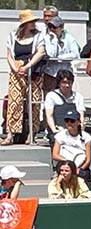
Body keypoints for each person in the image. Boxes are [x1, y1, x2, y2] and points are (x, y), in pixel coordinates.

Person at [4, 9, 47, 145]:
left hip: (33, 70)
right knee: (14, 101)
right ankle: (10, 134)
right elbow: (9, 55)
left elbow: (41, 52)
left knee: (34, 102)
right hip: (17, 69)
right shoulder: (13, 36)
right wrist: (16, 69)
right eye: (30, 22)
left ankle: (32, 133)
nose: (33, 23)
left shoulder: (38, 36)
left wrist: (28, 66)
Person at [40, 16, 81, 97]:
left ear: (61, 28)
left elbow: (75, 54)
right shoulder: (46, 38)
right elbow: (51, 54)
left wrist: (60, 58)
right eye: (50, 26)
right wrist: (54, 40)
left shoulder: (69, 38)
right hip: (51, 74)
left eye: (54, 27)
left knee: (65, 97)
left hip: (65, 74)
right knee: (49, 97)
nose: (52, 29)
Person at [51, 109, 91, 184]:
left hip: (80, 167)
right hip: (64, 166)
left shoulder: (86, 137)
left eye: (72, 121)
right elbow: (55, 155)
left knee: (84, 175)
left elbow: (88, 160)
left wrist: (79, 169)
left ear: (78, 122)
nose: (69, 123)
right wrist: (69, 164)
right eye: (67, 121)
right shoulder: (60, 135)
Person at [43, 70, 88, 137]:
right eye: (64, 82)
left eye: (69, 83)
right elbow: (49, 116)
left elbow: (81, 115)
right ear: (59, 83)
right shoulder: (51, 95)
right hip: (57, 131)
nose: (67, 85)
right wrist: (54, 130)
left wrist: (80, 130)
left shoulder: (78, 96)